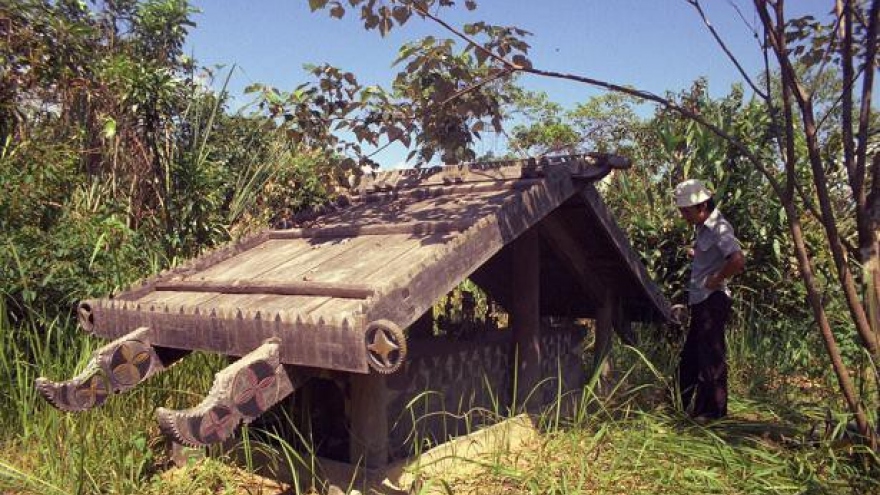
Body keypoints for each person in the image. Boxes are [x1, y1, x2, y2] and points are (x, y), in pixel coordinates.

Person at [673, 179, 745, 422]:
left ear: (702, 206)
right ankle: (679, 403)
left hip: (712, 300)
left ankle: (712, 414)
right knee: (692, 355)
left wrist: (716, 279)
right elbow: (714, 255)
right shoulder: (704, 228)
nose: (684, 215)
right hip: (701, 300)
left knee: (710, 357)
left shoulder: (719, 227)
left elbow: (737, 260)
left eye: (686, 210)